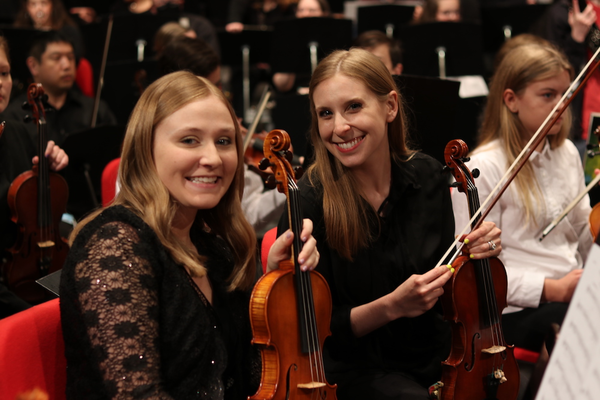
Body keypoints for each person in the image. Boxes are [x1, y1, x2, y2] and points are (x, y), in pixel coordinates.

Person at [59, 70, 319, 398]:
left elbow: (248, 379)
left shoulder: (215, 248)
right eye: (189, 140)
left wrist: (273, 285)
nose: (212, 158)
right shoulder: (114, 244)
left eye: (224, 141)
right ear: (146, 148)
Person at [278, 48, 501, 399]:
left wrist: (473, 255)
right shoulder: (307, 201)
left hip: (436, 358)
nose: (339, 128)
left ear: (390, 107)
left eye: (353, 106)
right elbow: (311, 331)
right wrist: (391, 306)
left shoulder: (428, 175)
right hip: (353, 374)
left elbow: (444, 291)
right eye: (325, 114)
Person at [451, 43, 593, 354]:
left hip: (572, 291)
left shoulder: (566, 152)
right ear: (511, 100)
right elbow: (475, 273)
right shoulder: (481, 168)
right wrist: (553, 289)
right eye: (548, 95)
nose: (561, 104)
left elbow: (582, 233)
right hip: (515, 312)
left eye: (566, 94)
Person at [0, 36, 69, 318]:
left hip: (26, 275)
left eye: (3, 73)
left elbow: (44, 218)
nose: (0, 83)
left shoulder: (20, 132)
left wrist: (50, 171)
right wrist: (38, 316)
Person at [3, 31, 117, 147]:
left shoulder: (97, 109)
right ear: (33, 66)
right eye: (56, 58)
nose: (67, 65)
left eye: (70, 57)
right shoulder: (14, 116)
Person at [271, 0, 330, 93]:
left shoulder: (332, 39)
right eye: (301, 10)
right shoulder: (287, 39)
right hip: (294, 95)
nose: (305, 14)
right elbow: (282, 85)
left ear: (324, 13)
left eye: (312, 10)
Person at [13, 0, 85, 61]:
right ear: (27, 8)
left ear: (53, 5)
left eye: (44, 3)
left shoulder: (68, 32)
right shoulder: (20, 33)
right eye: (33, 4)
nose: (39, 9)